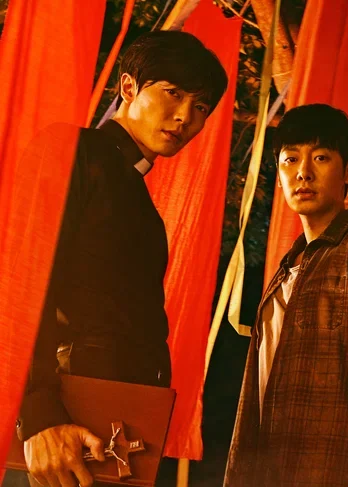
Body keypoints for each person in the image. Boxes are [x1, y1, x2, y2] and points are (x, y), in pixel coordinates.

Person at [16, 30, 227, 487]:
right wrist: (36, 413)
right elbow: (20, 278)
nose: (185, 116)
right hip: (65, 420)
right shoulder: (74, 151)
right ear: (128, 87)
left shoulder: (137, 196)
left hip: (120, 426)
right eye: (173, 93)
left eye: (201, 106)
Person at [224, 104, 348, 487]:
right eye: (290, 159)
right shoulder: (285, 271)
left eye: (320, 157)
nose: (303, 172)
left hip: (336, 470)